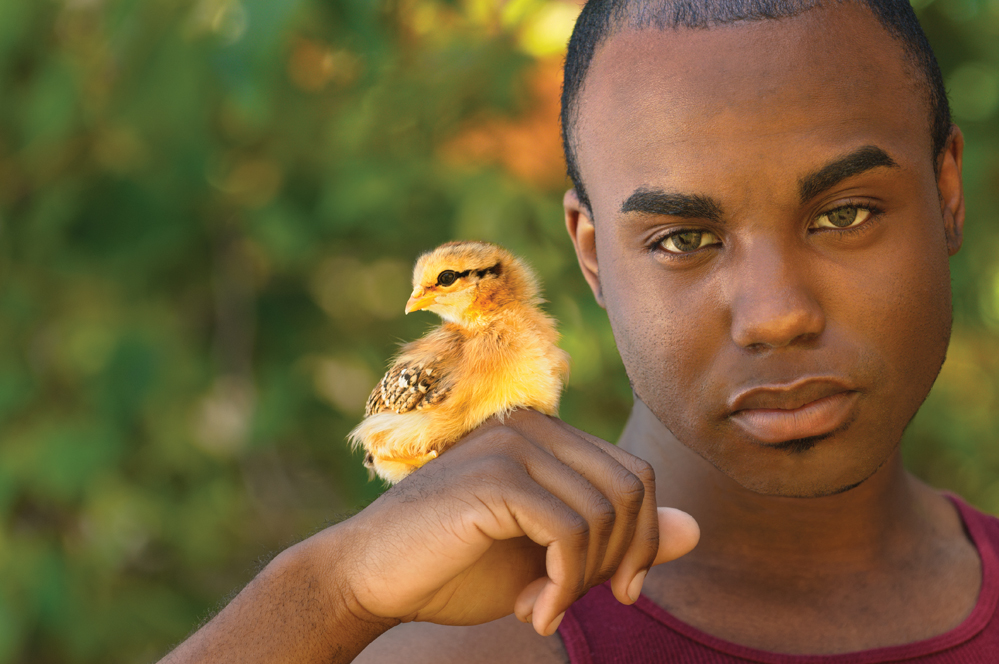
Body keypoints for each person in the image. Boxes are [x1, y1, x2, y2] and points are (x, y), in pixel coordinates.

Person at [160, 0, 999, 662]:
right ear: (593, 258)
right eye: (682, 240)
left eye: (844, 214)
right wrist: (329, 590)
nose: (776, 312)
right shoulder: (458, 647)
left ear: (946, 191)